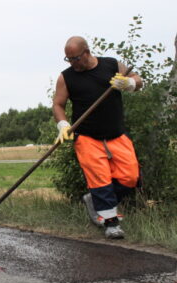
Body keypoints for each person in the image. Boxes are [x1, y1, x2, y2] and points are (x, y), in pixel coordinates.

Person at [52, 36, 142, 239]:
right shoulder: (66, 77)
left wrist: (128, 83)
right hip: (87, 137)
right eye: (68, 59)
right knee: (100, 180)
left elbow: (139, 81)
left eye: (75, 58)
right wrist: (63, 125)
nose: (72, 63)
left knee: (130, 177)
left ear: (86, 52)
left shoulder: (111, 64)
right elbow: (58, 104)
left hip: (116, 133)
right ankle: (111, 223)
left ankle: (94, 200)